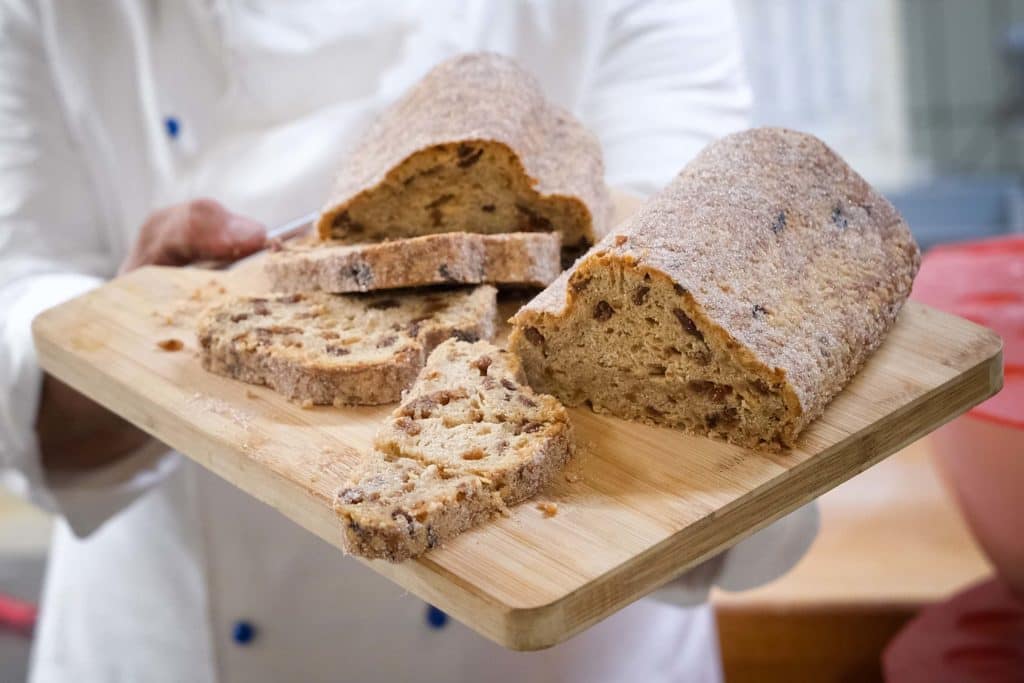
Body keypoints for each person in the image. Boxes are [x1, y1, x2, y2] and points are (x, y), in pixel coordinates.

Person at [0, 1, 818, 681]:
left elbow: (690, 254)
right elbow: (19, 290)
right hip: (171, 632)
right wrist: (128, 337)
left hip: (569, 645)